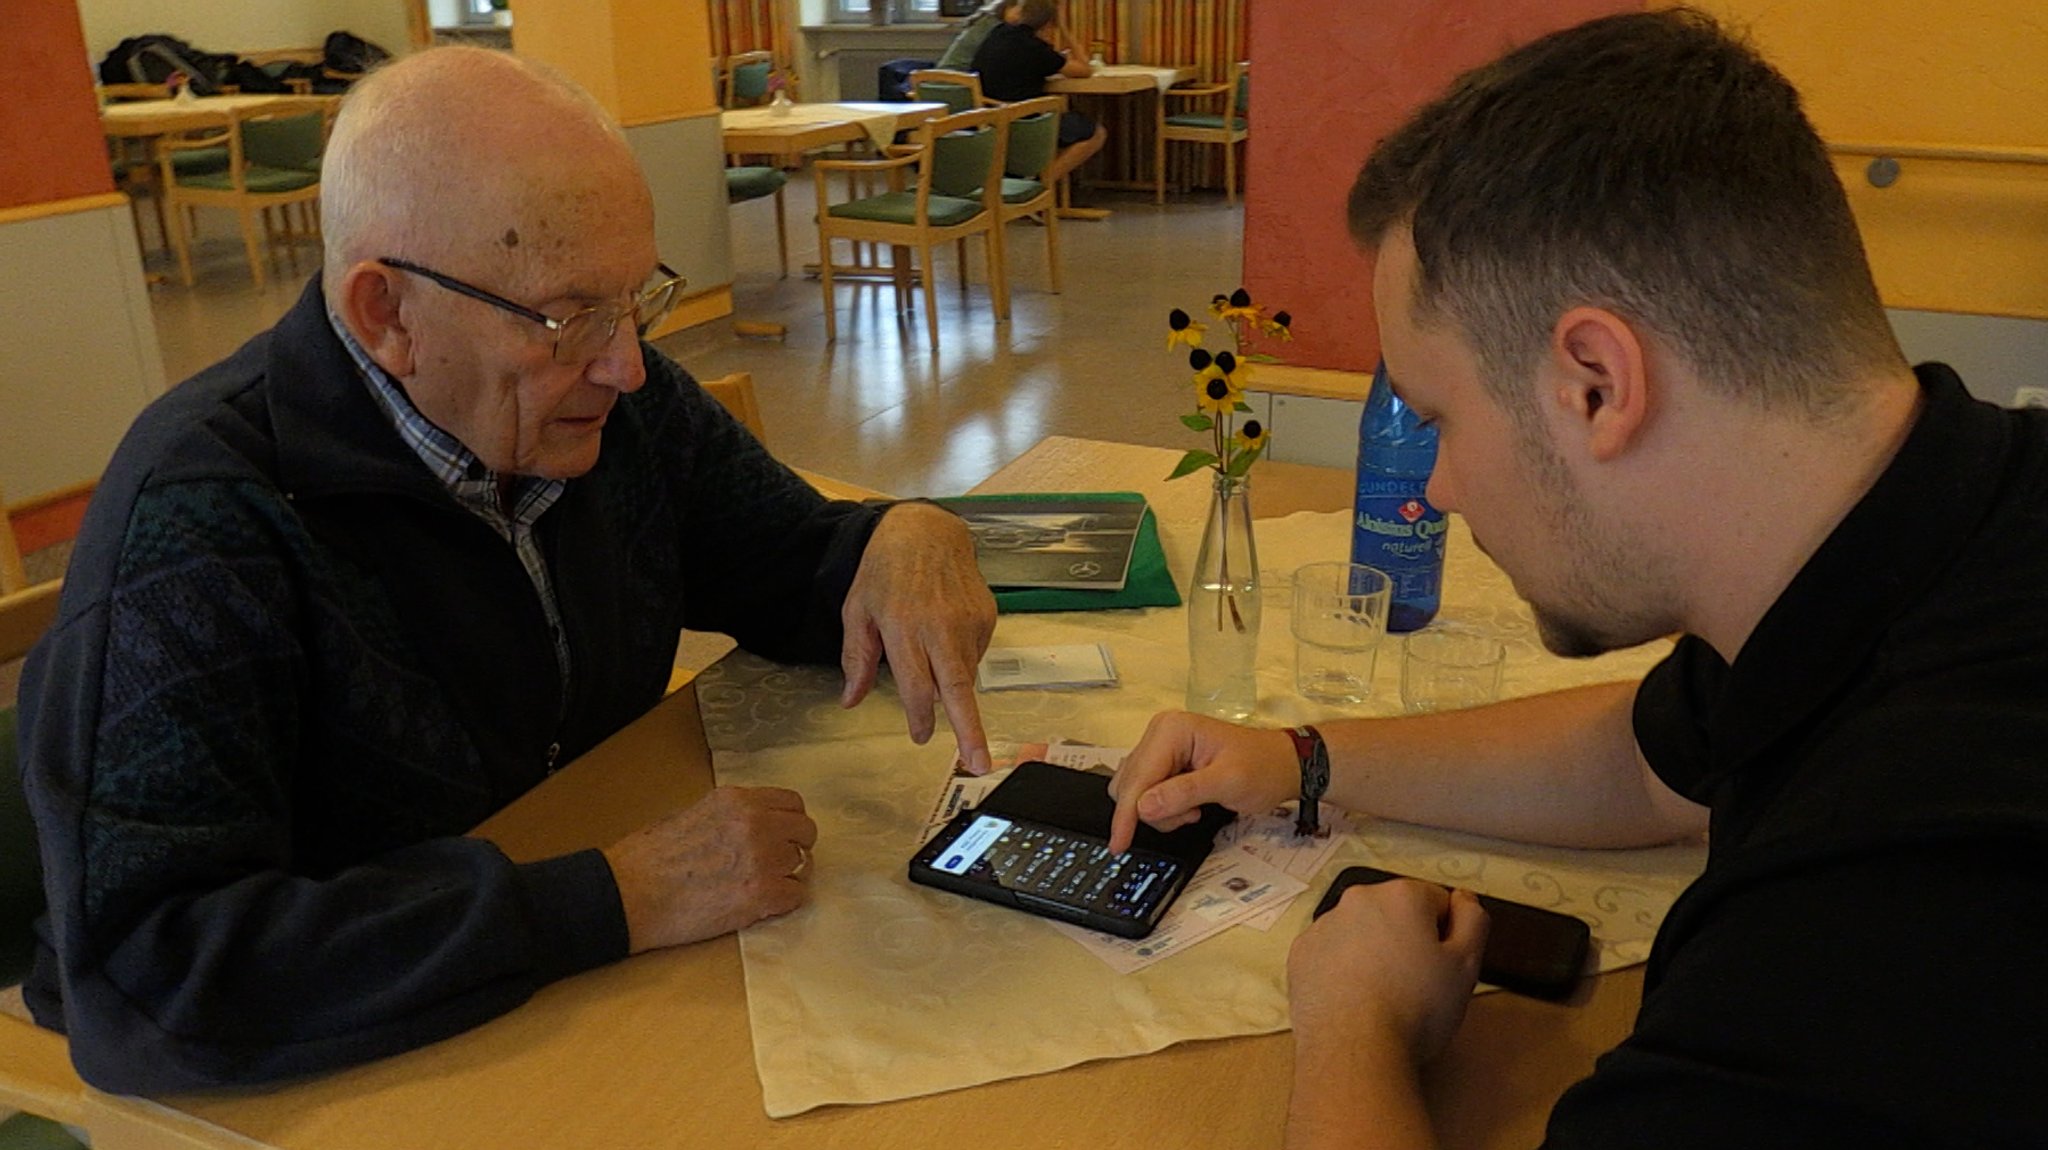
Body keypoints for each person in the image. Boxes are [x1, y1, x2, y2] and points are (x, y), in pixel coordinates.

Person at [1108, 10, 2048, 1147]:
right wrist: (1298, 759)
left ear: (1594, 382)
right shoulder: (1940, 516)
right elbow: (1656, 761)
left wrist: (1353, 1018)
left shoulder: (1884, 918)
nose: (1438, 486)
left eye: (1439, 416)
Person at [17, 46, 998, 1094]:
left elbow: (787, 566)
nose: (625, 362)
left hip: (558, 994)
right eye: (567, 314)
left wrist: (901, 532)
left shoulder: (613, 405)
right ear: (384, 311)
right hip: (335, 1075)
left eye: (635, 301)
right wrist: (609, 896)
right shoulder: (204, 518)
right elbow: (151, 975)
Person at [971, 0, 1105, 188]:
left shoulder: (996, 34)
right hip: (1024, 125)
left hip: (987, 121)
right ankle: (1039, 186)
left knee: (1066, 120)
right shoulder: (1035, 48)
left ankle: (1024, 182)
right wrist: (1065, 30)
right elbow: (1086, 70)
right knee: (1095, 133)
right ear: (1048, 24)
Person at [935, 0, 1019, 72]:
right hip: (956, 80)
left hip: (950, 76)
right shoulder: (991, 25)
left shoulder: (988, 20)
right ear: (1006, 8)